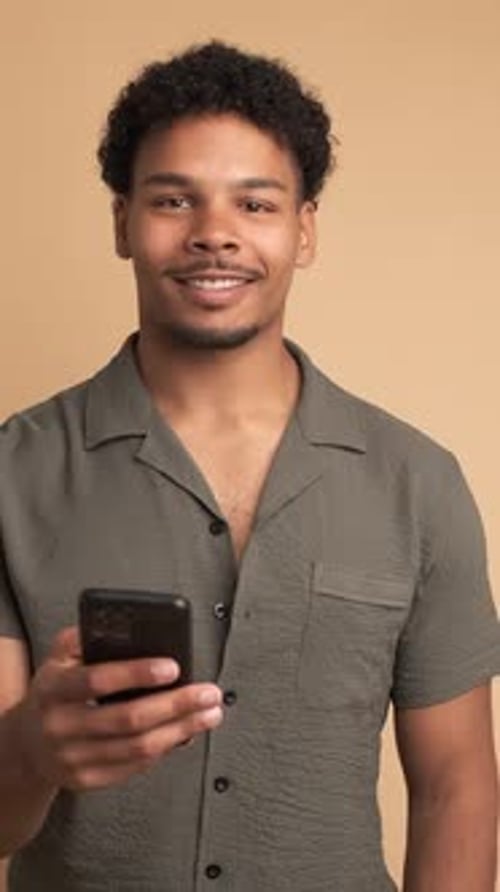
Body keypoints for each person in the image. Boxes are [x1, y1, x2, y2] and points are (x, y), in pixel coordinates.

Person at [0, 40, 498, 892]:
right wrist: (32, 749)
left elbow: (456, 787)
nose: (214, 234)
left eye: (255, 204)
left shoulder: (420, 483)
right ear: (122, 222)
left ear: (303, 232)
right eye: (172, 199)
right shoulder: (11, 475)